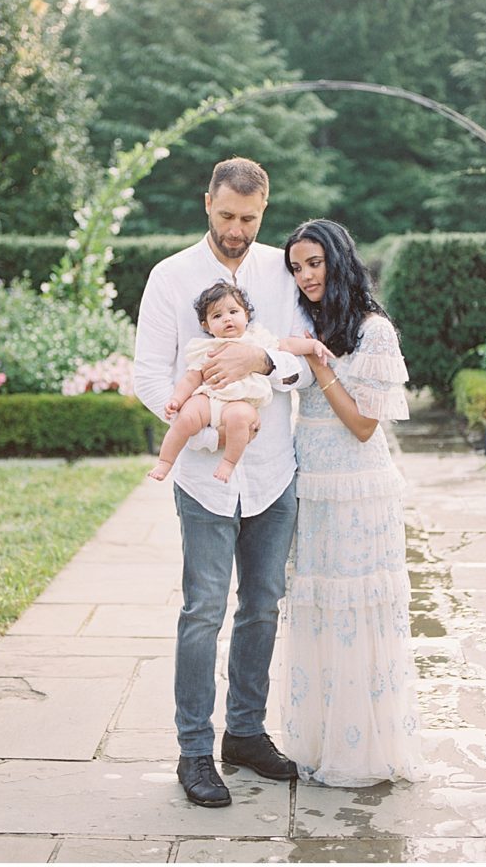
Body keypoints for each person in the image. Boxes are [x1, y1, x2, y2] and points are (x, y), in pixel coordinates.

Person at [134, 157, 315, 809]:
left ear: (264, 210)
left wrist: (262, 358)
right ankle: (192, 750)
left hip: (273, 475)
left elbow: (307, 361)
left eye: (250, 218)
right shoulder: (170, 276)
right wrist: (212, 428)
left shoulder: (282, 269)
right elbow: (151, 377)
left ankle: (244, 732)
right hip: (204, 478)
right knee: (202, 611)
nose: (237, 229)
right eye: (226, 215)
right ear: (207, 201)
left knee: (263, 605)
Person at [279, 218, 425, 787]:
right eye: (296, 267)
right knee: (318, 611)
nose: (305, 275)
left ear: (337, 261)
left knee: (356, 615)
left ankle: (364, 748)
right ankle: (321, 740)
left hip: (359, 490)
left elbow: (364, 424)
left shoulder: (372, 330)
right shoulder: (306, 321)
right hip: (313, 488)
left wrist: (320, 363)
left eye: (313, 263)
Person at [150, 281, 330, 484]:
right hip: (209, 398)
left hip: (241, 402)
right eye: (217, 316)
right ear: (206, 326)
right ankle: (165, 461)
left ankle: (228, 462)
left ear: (246, 315)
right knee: (186, 417)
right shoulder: (205, 347)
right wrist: (176, 399)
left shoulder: (256, 339)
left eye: (233, 312)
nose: (227, 319)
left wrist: (312, 344)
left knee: (240, 419)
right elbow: (192, 377)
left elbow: (287, 344)